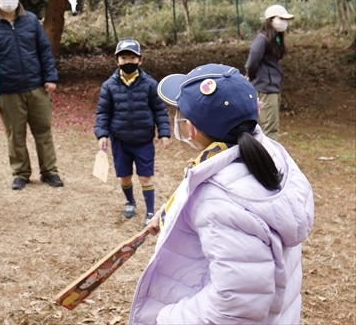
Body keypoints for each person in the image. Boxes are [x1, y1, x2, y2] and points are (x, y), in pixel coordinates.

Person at [128, 63, 314, 324]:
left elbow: (233, 308)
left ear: (189, 128)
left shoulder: (219, 203)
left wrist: (166, 318)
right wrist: (173, 209)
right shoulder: (269, 153)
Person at [0, 0, 63, 190]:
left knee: (43, 131)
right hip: (7, 91)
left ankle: (50, 171)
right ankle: (21, 173)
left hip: (36, 87)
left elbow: (44, 49)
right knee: (15, 135)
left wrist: (50, 77)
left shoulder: (31, 20)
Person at [94, 39, 171, 227]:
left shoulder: (150, 84)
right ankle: (130, 201)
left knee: (145, 176)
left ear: (140, 60)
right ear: (117, 61)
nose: (128, 61)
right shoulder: (109, 85)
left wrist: (164, 132)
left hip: (143, 140)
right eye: (123, 57)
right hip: (120, 140)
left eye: (132, 57)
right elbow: (103, 111)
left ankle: (150, 211)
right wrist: (102, 133)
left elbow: (159, 110)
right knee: (125, 176)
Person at [245, 4, 295, 140]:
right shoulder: (262, 39)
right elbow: (252, 62)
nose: (284, 22)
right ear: (271, 20)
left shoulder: (275, 38)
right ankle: (269, 158)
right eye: (281, 18)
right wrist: (252, 76)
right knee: (270, 129)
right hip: (265, 87)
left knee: (269, 126)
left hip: (272, 86)